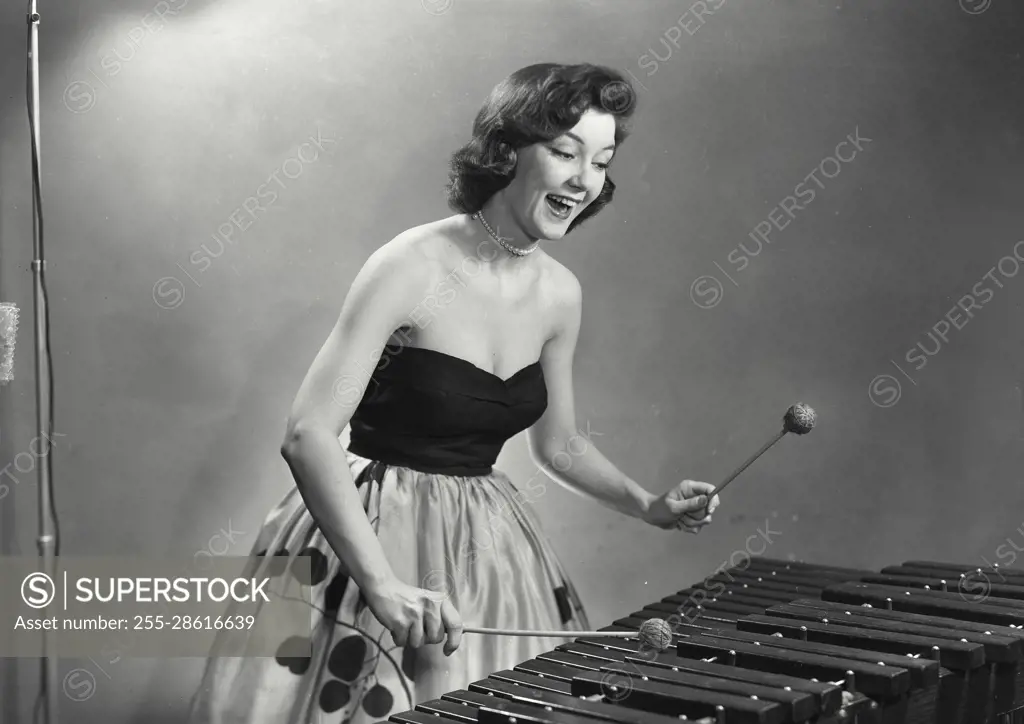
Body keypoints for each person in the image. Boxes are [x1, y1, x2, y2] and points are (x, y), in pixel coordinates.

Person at [188, 62, 721, 724]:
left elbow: (557, 445)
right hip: (371, 534)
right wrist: (380, 584)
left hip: (489, 552)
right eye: (565, 152)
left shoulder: (561, 294)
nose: (585, 180)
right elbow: (307, 434)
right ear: (507, 152)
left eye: (601, 162)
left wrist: (649, 504)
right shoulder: (409, 265)